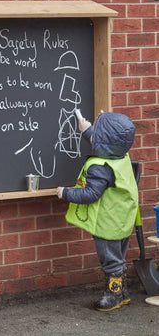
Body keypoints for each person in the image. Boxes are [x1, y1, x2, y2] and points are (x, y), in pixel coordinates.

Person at [56, 111, 138, 312]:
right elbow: (105, 143)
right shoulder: (120, 155)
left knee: (110, 261)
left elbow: (90, 194)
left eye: (97, 135)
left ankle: (114, 295)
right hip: (123, 217)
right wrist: (87, 130)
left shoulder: (100, 167)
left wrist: (65, 192)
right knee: (118, 257)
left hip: (107, 222)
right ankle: (122, 292)